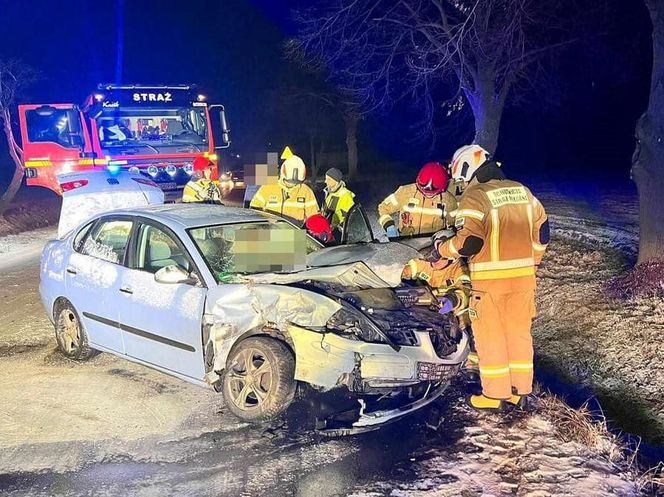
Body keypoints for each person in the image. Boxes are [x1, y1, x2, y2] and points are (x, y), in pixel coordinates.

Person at [431, 144, 549, 410]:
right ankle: (520, 391)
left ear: (467, 168)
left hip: (490, 285)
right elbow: (542, 234)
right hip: (523, 282)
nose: (462, 184)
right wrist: (533, 263)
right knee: (519, 334)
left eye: (462, 178)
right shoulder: (524, 192)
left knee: (491, 337)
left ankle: (495, 395)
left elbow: (468, 242)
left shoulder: (476, 197)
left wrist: (443, 249)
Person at [400, 251, 480, 380]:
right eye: (433, 255)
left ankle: (471, 368)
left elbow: (465, 291)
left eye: (440, 257)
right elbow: (406, 269)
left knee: (466, 326)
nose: (434, 261)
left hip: (453, 309)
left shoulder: (459, 270)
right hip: (427, 308)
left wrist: (453, 300)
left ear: (452, 258)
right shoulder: (425, 262)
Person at [377, 161, 456, 239]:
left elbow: (455, 226)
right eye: (423, 190)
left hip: (431, 245)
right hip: (406, 242)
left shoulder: (448, 201)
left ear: (442, 188)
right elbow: (383, 208)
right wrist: (389, 226)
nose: (427, 194)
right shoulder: (404, 192)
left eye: (432, 193)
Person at [249, 154, 319, 224]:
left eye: (296, 182)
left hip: (295, 232)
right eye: (288, 181)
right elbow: (254, 210)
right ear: (282, 175)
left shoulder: (306, 191)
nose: (292, 184)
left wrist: (319, 229)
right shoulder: (267, 188)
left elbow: (314, 215)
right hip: (271, 231)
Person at [322, 167, 356, 232]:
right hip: (327, 231)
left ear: (336, 181)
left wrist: (337, 228)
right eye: (326, 179)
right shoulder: (329, 193)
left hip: (338, 234)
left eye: (328, 179)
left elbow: (350, 218)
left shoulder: (345, 195)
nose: (325, 181)